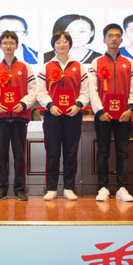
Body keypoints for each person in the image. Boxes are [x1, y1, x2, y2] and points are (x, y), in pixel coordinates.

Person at [0, 31, 36, 201]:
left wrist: (24, 104)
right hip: (1, 117)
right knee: (2, 156)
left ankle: (20, 189)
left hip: (20, 117)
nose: (8, 46)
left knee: (19, 156)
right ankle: (1, 189)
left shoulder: (26, 67)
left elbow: (33, 90)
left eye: (11, 43)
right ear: (0, 46)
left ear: (17, 46)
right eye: (5, 43)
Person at [88, 24, 133, 202]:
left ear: (122, 39)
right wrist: (100, 110)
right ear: (104, 39)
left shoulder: (129, 63)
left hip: (124, 115)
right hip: (103, 115)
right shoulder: (96, 62)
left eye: (117, 36)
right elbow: (92, 89)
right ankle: (102, 188)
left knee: (122, 151)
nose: (114, 39)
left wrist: (130, 109)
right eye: (110, 36)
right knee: (103, 151)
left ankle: (121, 188)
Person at [36, 31, 90, 201]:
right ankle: (51, 188)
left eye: (65, 41)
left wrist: (78, 105)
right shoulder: (46, 67)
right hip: (52, 115)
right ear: (53, 45)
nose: (62, 44)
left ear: (70, 44)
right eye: (58, 42)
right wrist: (50, 105)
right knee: (52, 152)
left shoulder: (79, 66)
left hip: (73, 115)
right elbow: (40, 92)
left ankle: (69, 187)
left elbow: (85, 91)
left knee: (71, 152)